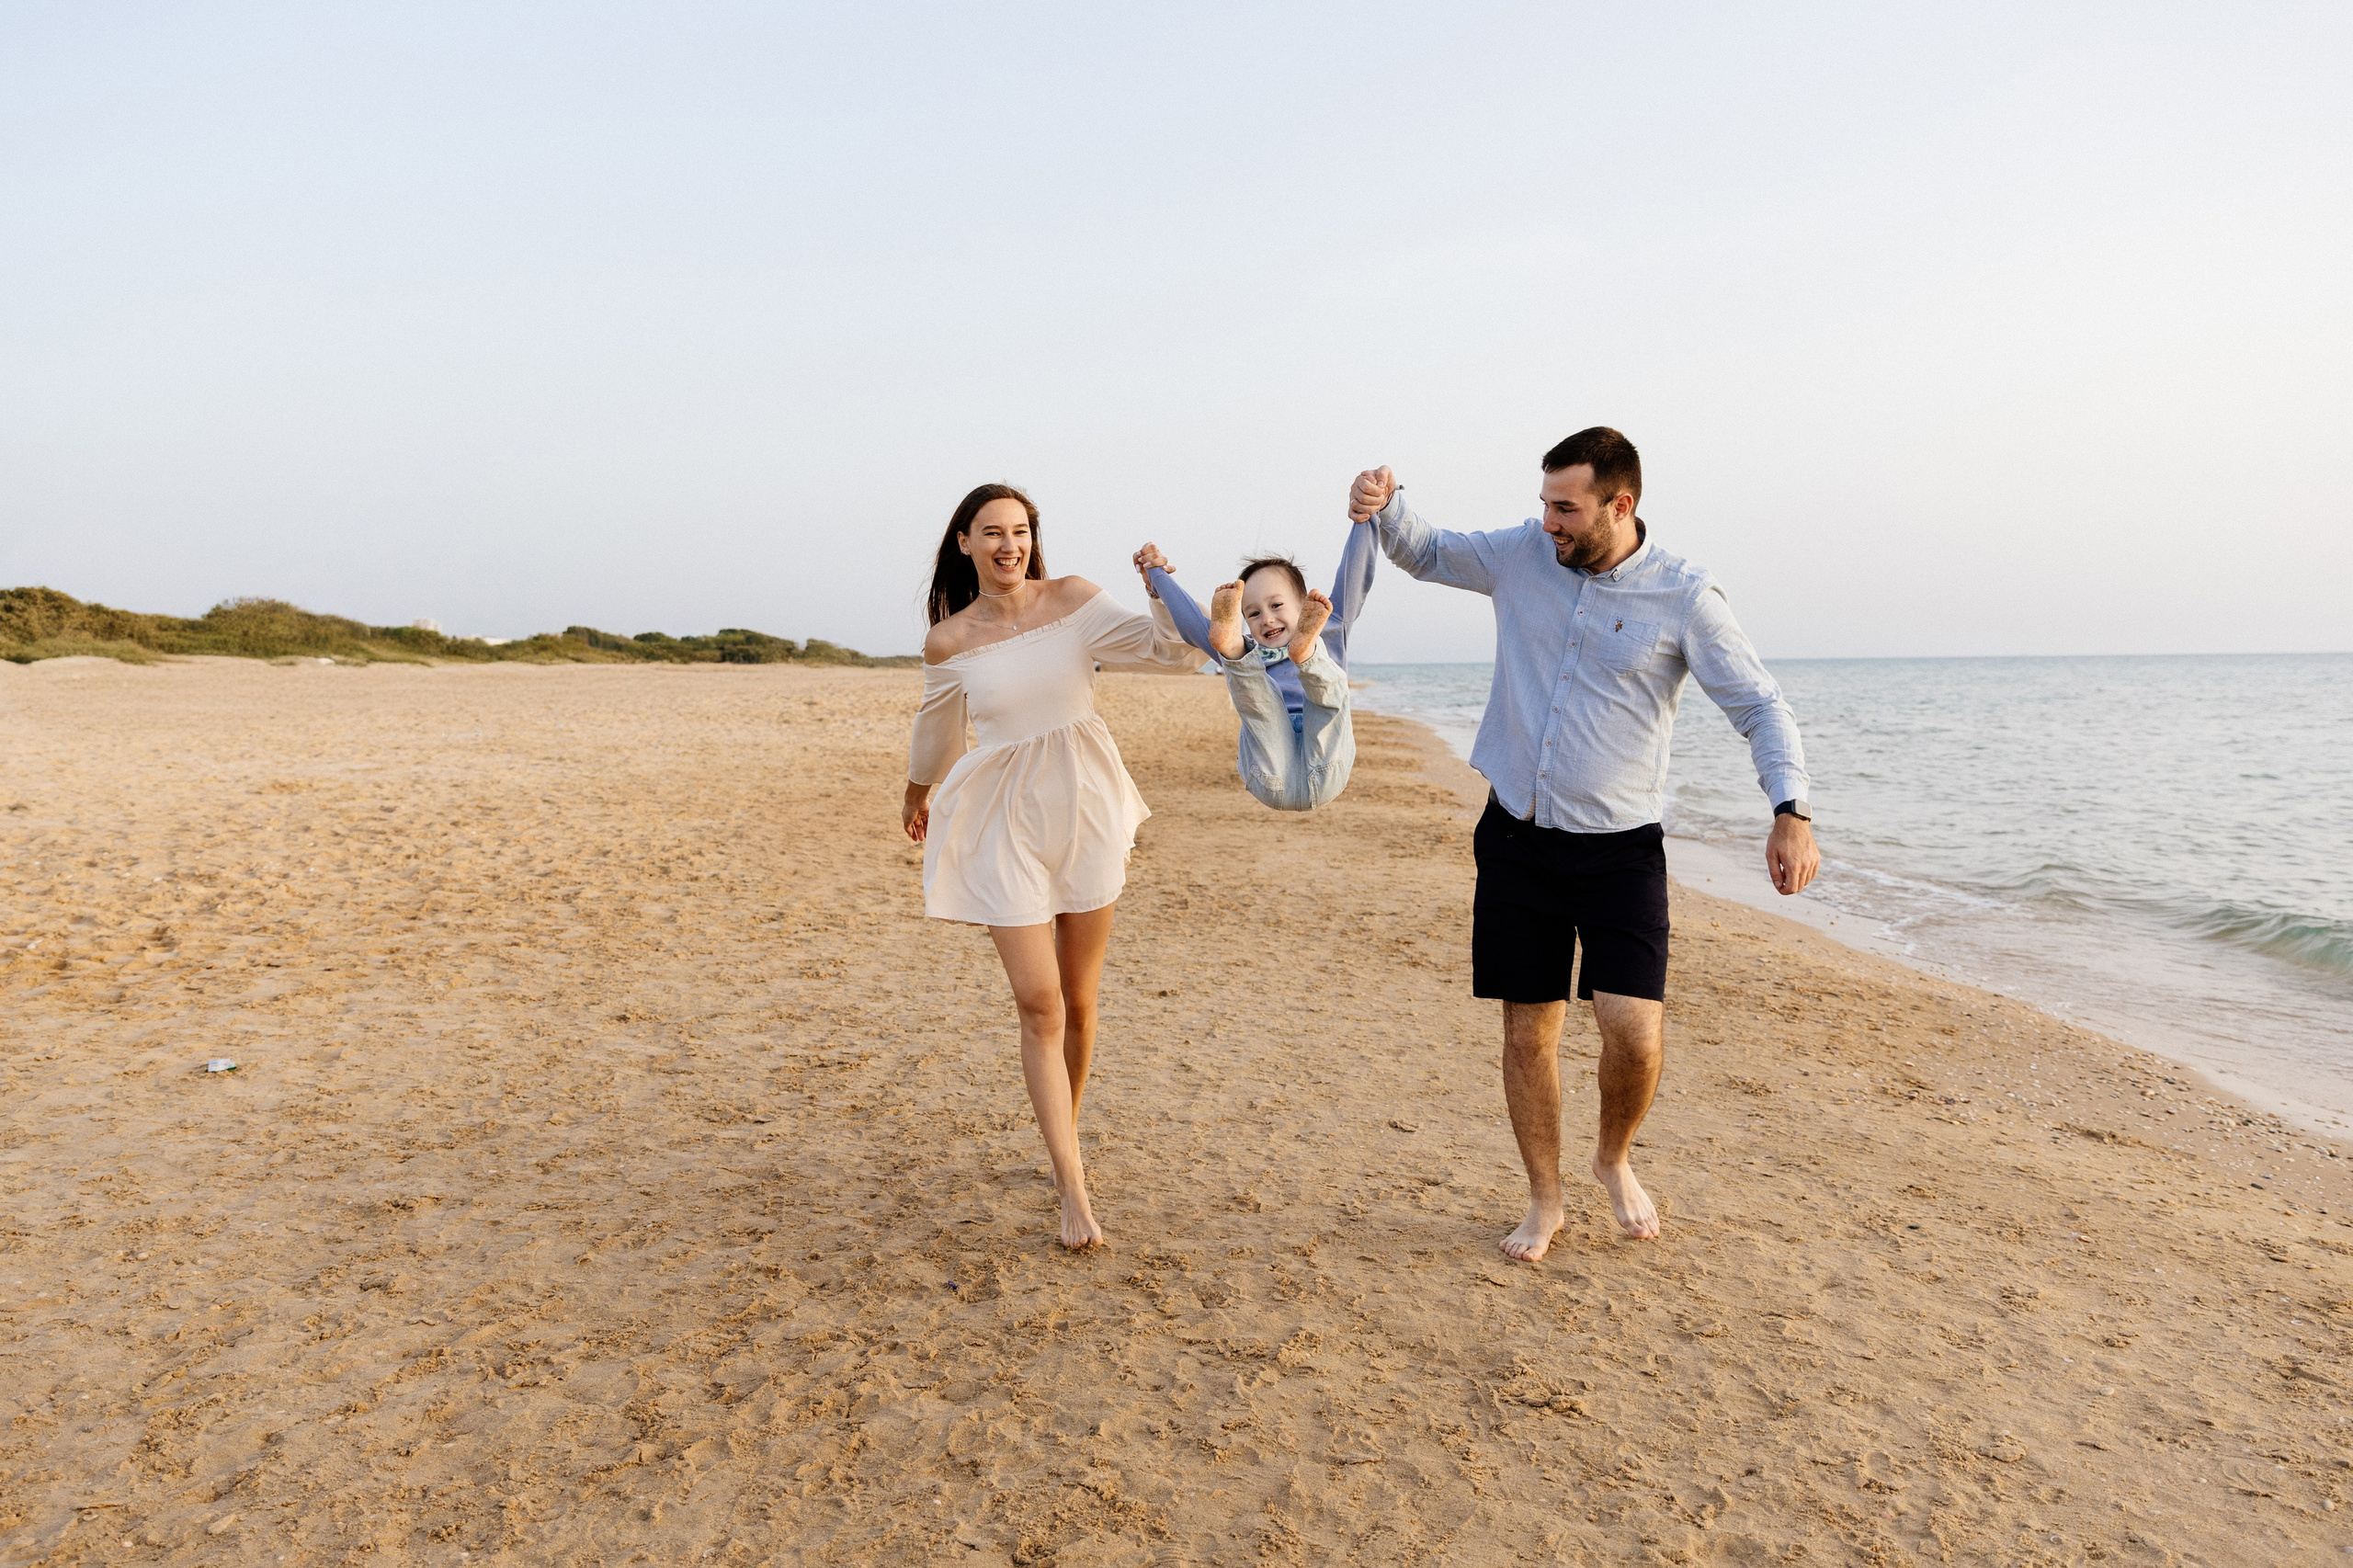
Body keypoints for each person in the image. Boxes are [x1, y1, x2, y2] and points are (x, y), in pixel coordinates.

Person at [1348, 428, 1818, 1262]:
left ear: (1619, 504)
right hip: (1516, 837)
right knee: (1528, 1034)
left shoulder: (1685, 596)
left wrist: (1791, 810)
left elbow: (1759, 705)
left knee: (1633, 1034)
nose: (1548, 522)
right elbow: (1428, 551)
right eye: (1544, 504)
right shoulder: (1522, 555)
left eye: (1565, 508)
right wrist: (1386, 503)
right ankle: (1545, 1197)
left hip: (1619, 852)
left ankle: (1613, 1158)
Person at [904, 483, 1209, 1250]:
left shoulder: (1073, 600)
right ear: (965, 542)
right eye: (992, 532)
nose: (1008, 545)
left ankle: (1060, 1141)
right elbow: (937, 729)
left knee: (1080, 999)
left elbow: (1174, 655)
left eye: (1020, 531)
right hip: (1002, 819)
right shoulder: (949, 640)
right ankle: (1073, 1188)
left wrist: (1159, 590)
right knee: (1040, 1004)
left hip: (1084, 807)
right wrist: (916, 792)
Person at [1127, 521, 1378, 811]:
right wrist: (1156, 575)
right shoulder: (1252, 648)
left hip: (1272, 775)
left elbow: (1354, 573)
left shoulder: (1329, 623)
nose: (1267, 619)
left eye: (1276, 605)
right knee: (1267, 699)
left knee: (1317, 697)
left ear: (1303, 604)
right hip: (1308, 769)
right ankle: (1303, 655)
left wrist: (1366, 516)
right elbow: (1192, 622)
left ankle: (1307, 655)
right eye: (1253, 613)